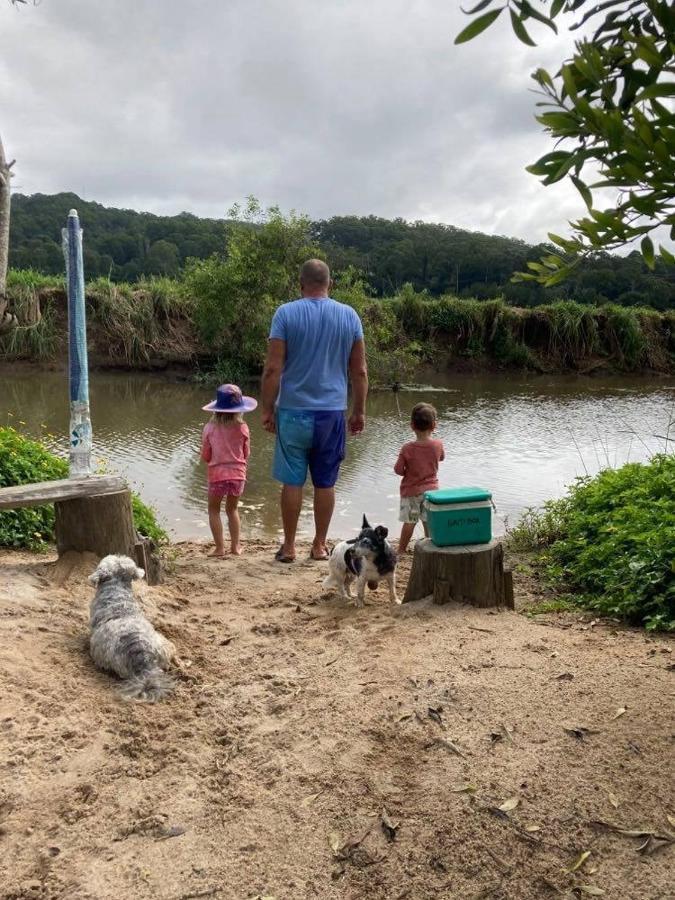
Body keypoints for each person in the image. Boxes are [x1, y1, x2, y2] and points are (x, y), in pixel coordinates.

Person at [261, 258, 368, 563]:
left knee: (292, 481)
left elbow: (272, 369)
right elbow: (359, 371)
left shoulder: (285, 313)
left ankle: (290, 546)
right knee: (325, 482)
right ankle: (320, 546)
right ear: (329, 284)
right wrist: (359, 411)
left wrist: (267, 410)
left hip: (292, 410)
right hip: (331, 413)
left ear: (300, 284)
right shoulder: (349, 316)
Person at [200, 383, 257, 557]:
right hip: (238, 475)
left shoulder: (209, 429)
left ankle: (219, 548)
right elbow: (246, 453)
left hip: (217, 475)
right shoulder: (243, 428)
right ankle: (235, 547)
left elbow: (206, 455)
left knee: (214, 509)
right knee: (232, 509)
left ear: (216, 409)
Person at [394, 402, 445, 554]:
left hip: (411, 491)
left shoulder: (407, 448)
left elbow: (398, 470)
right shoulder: (438, 444)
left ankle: (402, 550)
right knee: (428, 520)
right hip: (432, 492)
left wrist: (408, 470)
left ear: (412, 425)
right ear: (434, 426)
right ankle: (430, 546)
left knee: (409, 521)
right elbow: (441, 458)